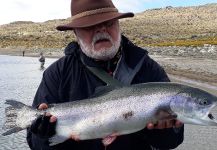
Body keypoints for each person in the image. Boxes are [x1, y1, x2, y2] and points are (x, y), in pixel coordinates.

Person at [27, 0, 184, 149]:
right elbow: (35, 143)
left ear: (118, 25)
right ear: (76, 33)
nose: (101, 29)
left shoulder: (148, 68)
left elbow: (172, 141)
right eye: (90, 26)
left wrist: (163, 132)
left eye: (108, 23)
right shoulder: (58, 73)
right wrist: (44, 135)